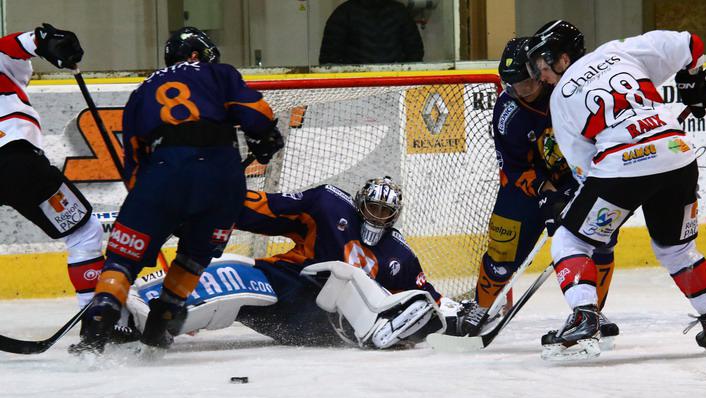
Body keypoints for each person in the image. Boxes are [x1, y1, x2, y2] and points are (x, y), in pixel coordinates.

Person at [526, 20, 706, 360]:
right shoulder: (620, 51)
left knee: (570, 240)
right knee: (677, 249)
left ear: (563, 59)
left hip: (623, 165)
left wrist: (593, 212)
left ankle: (584, 317)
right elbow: (692, 44)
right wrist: (691, 81)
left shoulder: (561, 97)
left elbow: (584, 167)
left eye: (542, 66)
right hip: (678, 155)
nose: (541, 76)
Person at [71, 27, 283, 354]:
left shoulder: (141, 92)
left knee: (123, 257)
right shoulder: (219, 73)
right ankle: (165, 317)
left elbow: (134, 164)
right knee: (195, 254)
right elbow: (258, 115)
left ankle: (100, 317)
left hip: (164, 171)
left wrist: (153, 205)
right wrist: (265, 139)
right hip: (223, 175)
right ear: (196, 54)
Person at [126, 177, 456, 349]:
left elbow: (432, 299)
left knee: (347, 278)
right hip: (286, 286)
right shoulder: (328, 205)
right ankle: (141, 314)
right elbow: (267, 208)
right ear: (359, 204)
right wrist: (214, 208)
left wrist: (460, 315)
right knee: (232, 276)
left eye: (385, 211)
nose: (377, 216)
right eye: (373, 208)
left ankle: (377, 328)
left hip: (322, 324)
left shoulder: (399, 254)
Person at [460, 36, 618, 340]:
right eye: (512, 85)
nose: (520, 91)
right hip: (525, 186)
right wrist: (546, 192)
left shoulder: (569, 91)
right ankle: (482, 306)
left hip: (575, 177)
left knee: (600, 242)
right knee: (503, 249)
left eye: (525, 83)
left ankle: (590, 311)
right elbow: (514, 166)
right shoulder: (508, 112)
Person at [0, 24, 105, 307]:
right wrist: (48, 40)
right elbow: (24, 43)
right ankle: (98, 318)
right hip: (11, 158)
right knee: (84, 232)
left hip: (12, 163)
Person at [319, 0, 424, 65]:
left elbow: (329, 62)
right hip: (396, 84)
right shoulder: (400, 12)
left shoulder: (342, 13)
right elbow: (415, 54)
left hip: (354, 85)